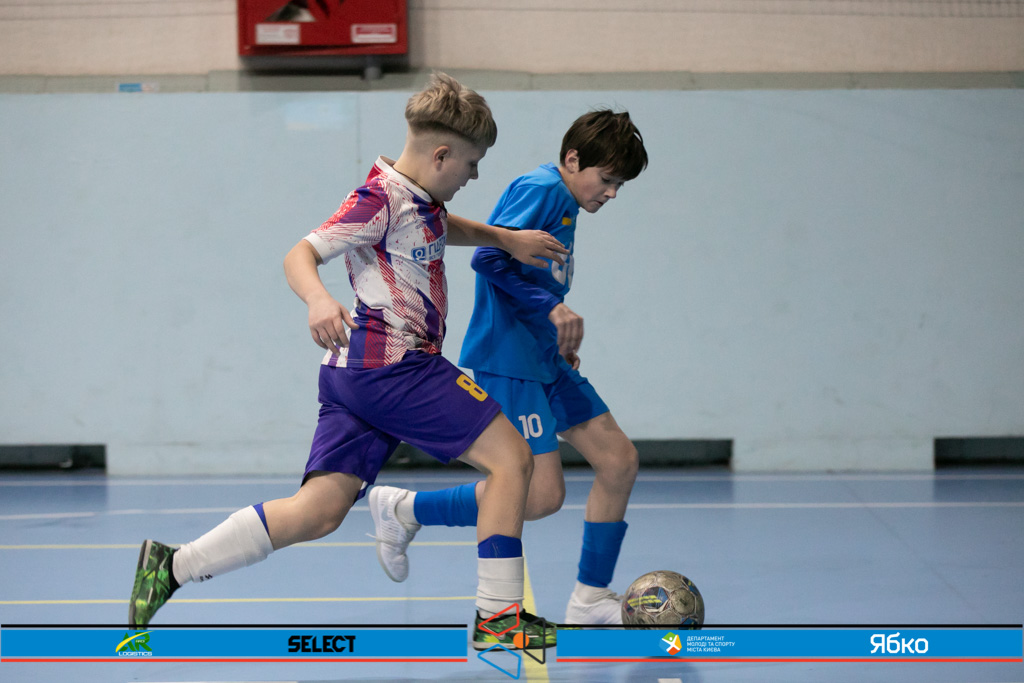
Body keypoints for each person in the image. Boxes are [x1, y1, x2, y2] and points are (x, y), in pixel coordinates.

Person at [128, 73, 570, 651]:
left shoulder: (421, 198)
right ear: (441, 155)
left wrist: (505, 239)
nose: (475, 175)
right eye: (472, 163)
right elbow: (301, 253)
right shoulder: (379, 199)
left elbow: (440, 228)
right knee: (512, 460)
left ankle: (172, 566)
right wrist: (317, 299)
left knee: (319, 511)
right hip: (395, 365)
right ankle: (499, 619)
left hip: (353, 375)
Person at [368, 109, 648, 625]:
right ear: (573, 159)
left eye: (620, 185)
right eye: (607, 179)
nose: (612, 193)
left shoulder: (567, 202)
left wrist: (553, 331)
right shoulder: (541, 189)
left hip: (543, 355)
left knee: (619, 461)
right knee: (540, 496)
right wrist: (553, 309)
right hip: (509, 358)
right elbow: (488, 258)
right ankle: (405, 509)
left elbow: (534, 276)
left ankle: (589, 598)